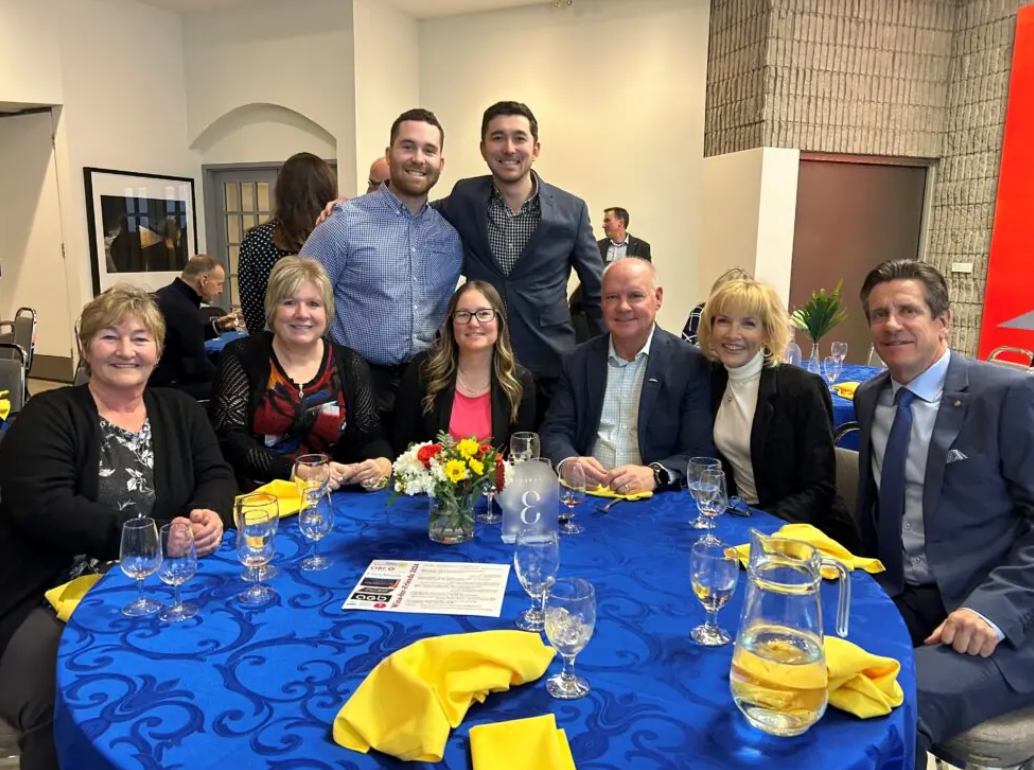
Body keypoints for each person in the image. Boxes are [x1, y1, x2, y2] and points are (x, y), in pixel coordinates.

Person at [0, 285, 235, 770]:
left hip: (164, 586)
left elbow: (216, 474)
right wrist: (155, 534)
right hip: (51, 594)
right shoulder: (49, 414)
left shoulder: (179, 410)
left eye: (140, 338)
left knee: (218, 672)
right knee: (61, 708)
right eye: (110, 336)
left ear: (158, 352)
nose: (126, 350)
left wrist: (210, 512)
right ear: (86, 348)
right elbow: (42, 506)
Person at [852, 260, 1034, 770]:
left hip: (1001, 617)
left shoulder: (1007, 395)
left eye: (908, 310)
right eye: (879, 314)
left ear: (944, 321)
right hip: (906, 595)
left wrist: (994, 610)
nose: (892, 325)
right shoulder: (870, 398)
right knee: (793, 657)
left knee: (891, 703)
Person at [434, 101, 605, 422]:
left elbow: (596, 292)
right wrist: (355, 205)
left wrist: (604, 360)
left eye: (519, 138)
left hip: (550, 366)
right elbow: (417, 214)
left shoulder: (572, 210)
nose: (509, 148)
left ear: (535, 148)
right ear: (483, 148)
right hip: (480, 367)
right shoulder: (464, 196)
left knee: (546, 450)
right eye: (498, 137)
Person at [302, 108, 463, 432]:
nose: (418, 158)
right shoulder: (345, 223)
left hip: (426, 386)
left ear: (441, 163)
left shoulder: (449, 238)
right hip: (353, 384)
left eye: (429, 150)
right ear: (389, 155)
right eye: (408, 146)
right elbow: (294, 299)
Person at [698, 278, 860, 549]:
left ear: (767, 332)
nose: (733, 334)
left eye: (748, 323)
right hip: (738, 523)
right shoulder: (711, 381)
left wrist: (758, 527)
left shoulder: (801, 388)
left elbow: (819, 490)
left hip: (804, 533)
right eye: (723, 321)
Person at [212, 256, 393, 493]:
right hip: (261, 500)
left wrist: (382, 463)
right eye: (289, 302)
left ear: (327, 312)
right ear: (273, 309)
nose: (302, 314)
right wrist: (296, 472)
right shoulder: (242, 356)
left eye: (313, 304)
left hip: (333, 497)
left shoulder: (350, 363)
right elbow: (230, 437)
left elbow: (370, 436)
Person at [540, 258, 714, 494]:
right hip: (586, 496)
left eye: (635, 296)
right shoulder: (576, 361)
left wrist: (656, 474)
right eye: (612, 297)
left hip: (656, 500)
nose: (623, 307)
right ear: (602, 302)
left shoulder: (690, 364)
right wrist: (567, 462)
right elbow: (554, 431)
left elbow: (699, 452)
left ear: (658, 298)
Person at [393, 280, 536, 455]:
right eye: (463, 314)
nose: (473, 323)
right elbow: (403, 444)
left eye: (484, 314)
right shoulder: (424, 369)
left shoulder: (519, 381)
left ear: (499, 321)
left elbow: (520, 456)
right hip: (428, 473)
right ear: (451, 323)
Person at [239, 152, 338, 335]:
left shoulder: (256, 240)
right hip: (328, 344)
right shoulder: (335, 234)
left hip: (274, 342)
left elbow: (252, 314)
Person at [150, 255, 238, 400]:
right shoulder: (184, 309)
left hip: (154, 377)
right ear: (204, 280)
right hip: (167, 385)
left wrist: (217, 326)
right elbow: (198, 367)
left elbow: (185, 337)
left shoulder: (166, 294)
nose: (221, 290)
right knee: (234, 387)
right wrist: (232, 379)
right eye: (219, 284)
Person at [571, 207, 652, 343]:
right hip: (602, 303)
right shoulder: (598, 246)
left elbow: (646, 278)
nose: (603, 225)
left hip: (629, 305)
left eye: (607, 220)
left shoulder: (641, 247)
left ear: (620, 223)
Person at [683, 266, 753, 345]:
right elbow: (687, 347)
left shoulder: (756, 318)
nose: (733, 336)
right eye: (723, 321)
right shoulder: (700, 313)